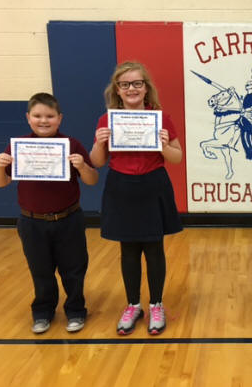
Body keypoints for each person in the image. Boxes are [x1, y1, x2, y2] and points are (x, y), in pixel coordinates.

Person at [0, 92, 98, 334]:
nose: (44, 121)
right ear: (28, 118)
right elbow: (0, 182)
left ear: (60, 118)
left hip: (69, 219)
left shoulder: (71, 144)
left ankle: (75, 310)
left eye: (49, 116)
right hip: (32, 222)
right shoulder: (18, 146)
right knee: (40, 270)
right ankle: (42, 312)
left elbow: (92, 180)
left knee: (74, 270)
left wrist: (82, 166)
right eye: (38, 116)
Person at [90, 61, 183, 336]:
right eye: (125, 84)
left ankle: (156, 305)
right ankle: (133, 305)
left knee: (154, 249)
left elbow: (176, 158)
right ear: (117, 90)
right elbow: (97, 161)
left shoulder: (160, 118)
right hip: (121, 186)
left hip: (153, 185)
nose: (131, 88)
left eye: (137, 83)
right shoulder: (107, 120)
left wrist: (164, 145)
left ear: (146, 88)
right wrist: (99, 142)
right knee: (128, 250)